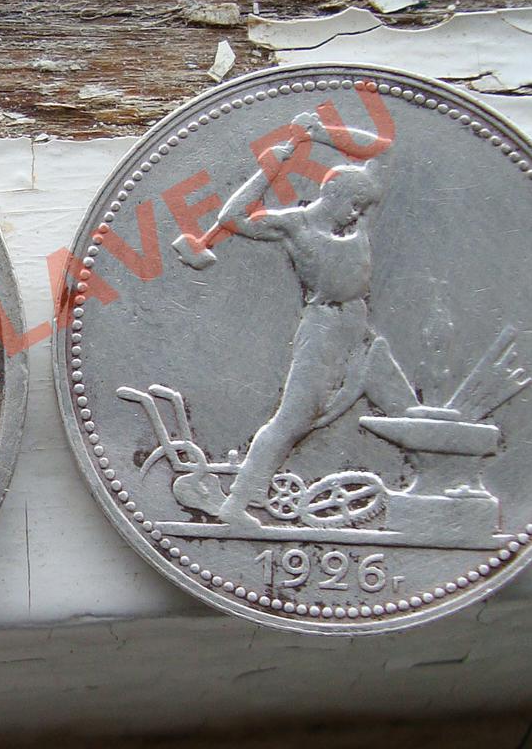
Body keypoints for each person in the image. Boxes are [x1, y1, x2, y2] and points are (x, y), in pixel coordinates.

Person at [170, 111, 408, 526]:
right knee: (293, 419)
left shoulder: (359, 218)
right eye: (354, 205)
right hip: (324, 331)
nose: (358, 213)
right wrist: (268, 169)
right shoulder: (294, 226)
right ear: (333, 196)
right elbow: (232, 219)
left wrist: (321, 133)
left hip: (360, 332)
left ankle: (423, 502)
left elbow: (382, 150)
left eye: (362, 207)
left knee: (406, 408)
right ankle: (236, 504)